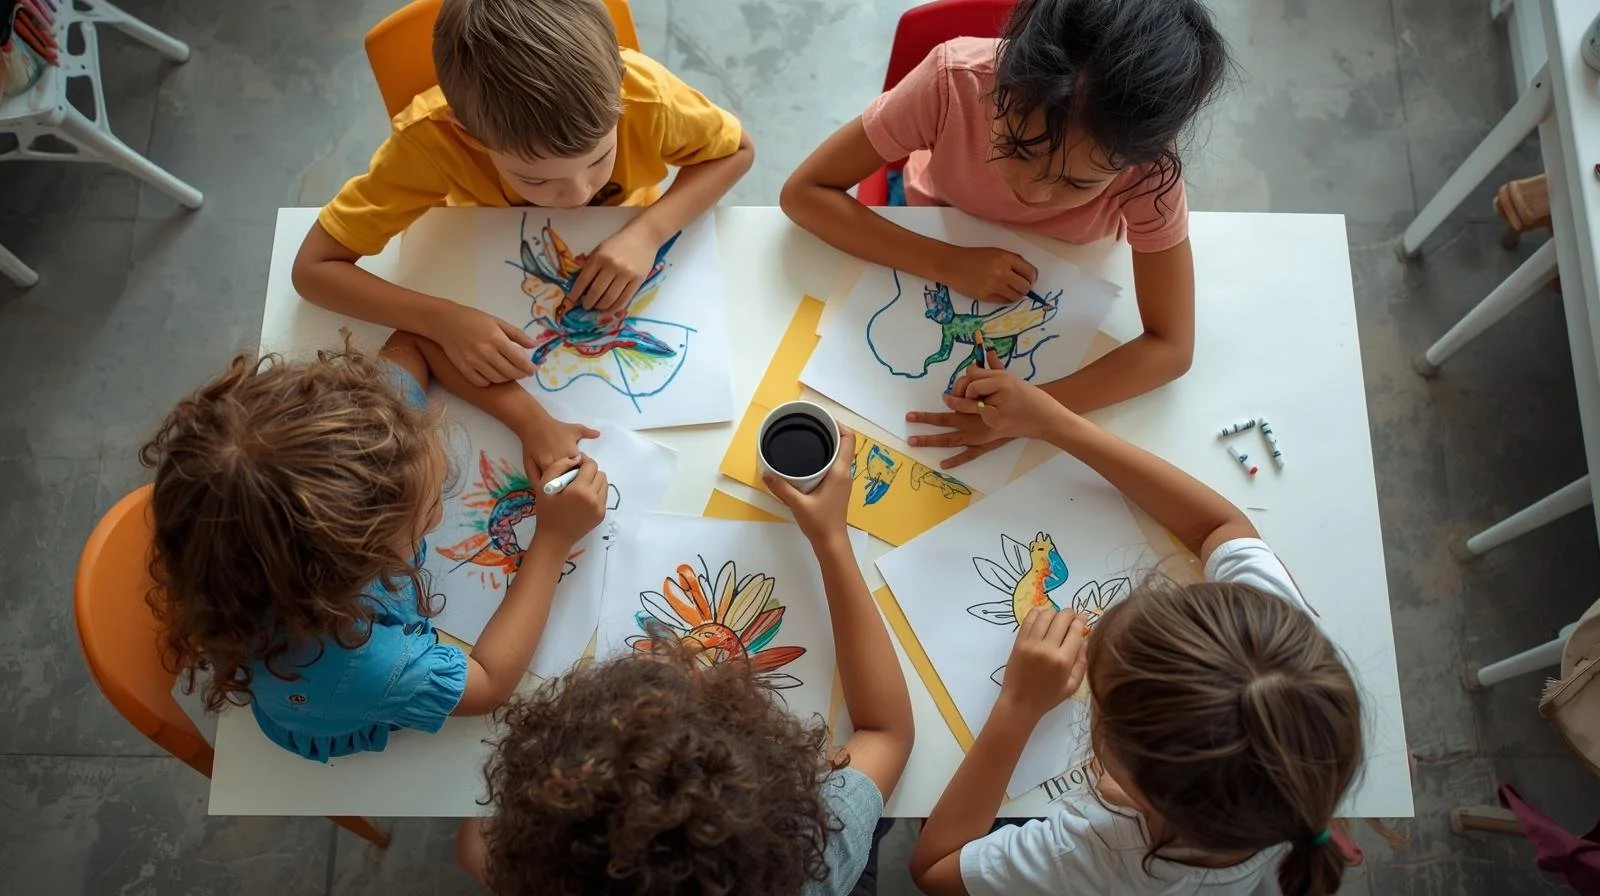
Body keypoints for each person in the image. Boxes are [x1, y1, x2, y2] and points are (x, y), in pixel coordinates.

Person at [907, 354, 1363, 896]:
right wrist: (1054, 421)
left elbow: (933, 869)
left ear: (1116, 767)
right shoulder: (1289, 659)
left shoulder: (1094, 855)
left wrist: (1017, 708)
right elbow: (1219, 524)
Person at [455, 428, 915, 895]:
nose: (681, 657)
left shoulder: (534, 874)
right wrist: (831, 539)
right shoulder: (806, 869)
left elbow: (475, 850)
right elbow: (886, 731)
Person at [781, 0, 1228, 469]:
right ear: (1000, 87)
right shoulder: (952, 81)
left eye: (1076, 183)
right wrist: (946, 263)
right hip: (933, 219)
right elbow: (803, 193)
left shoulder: (1148, 164)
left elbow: (1171, 348)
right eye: (1016, 146)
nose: (1033, 191)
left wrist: (1040, 410)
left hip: (1075, 263)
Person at [140, 332, 608, 762]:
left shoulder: (362, 429)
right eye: (430, 509)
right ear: (354, 569)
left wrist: (532, 423)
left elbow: (415, 346)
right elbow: (488, 686)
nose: (440, 504)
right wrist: (553, 539)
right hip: (331, 700)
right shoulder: (356, 663)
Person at [292, 0, 754, 419]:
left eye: (599, 159)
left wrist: (650, 232)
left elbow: (736, 151)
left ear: (617, 85)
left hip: (638, 242)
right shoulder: (429, 143)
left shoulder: (646, 95)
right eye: (535, 179)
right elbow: (314, 268)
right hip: (477, 265)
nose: (576, 194)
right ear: (466, 132)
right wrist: (439, 319)